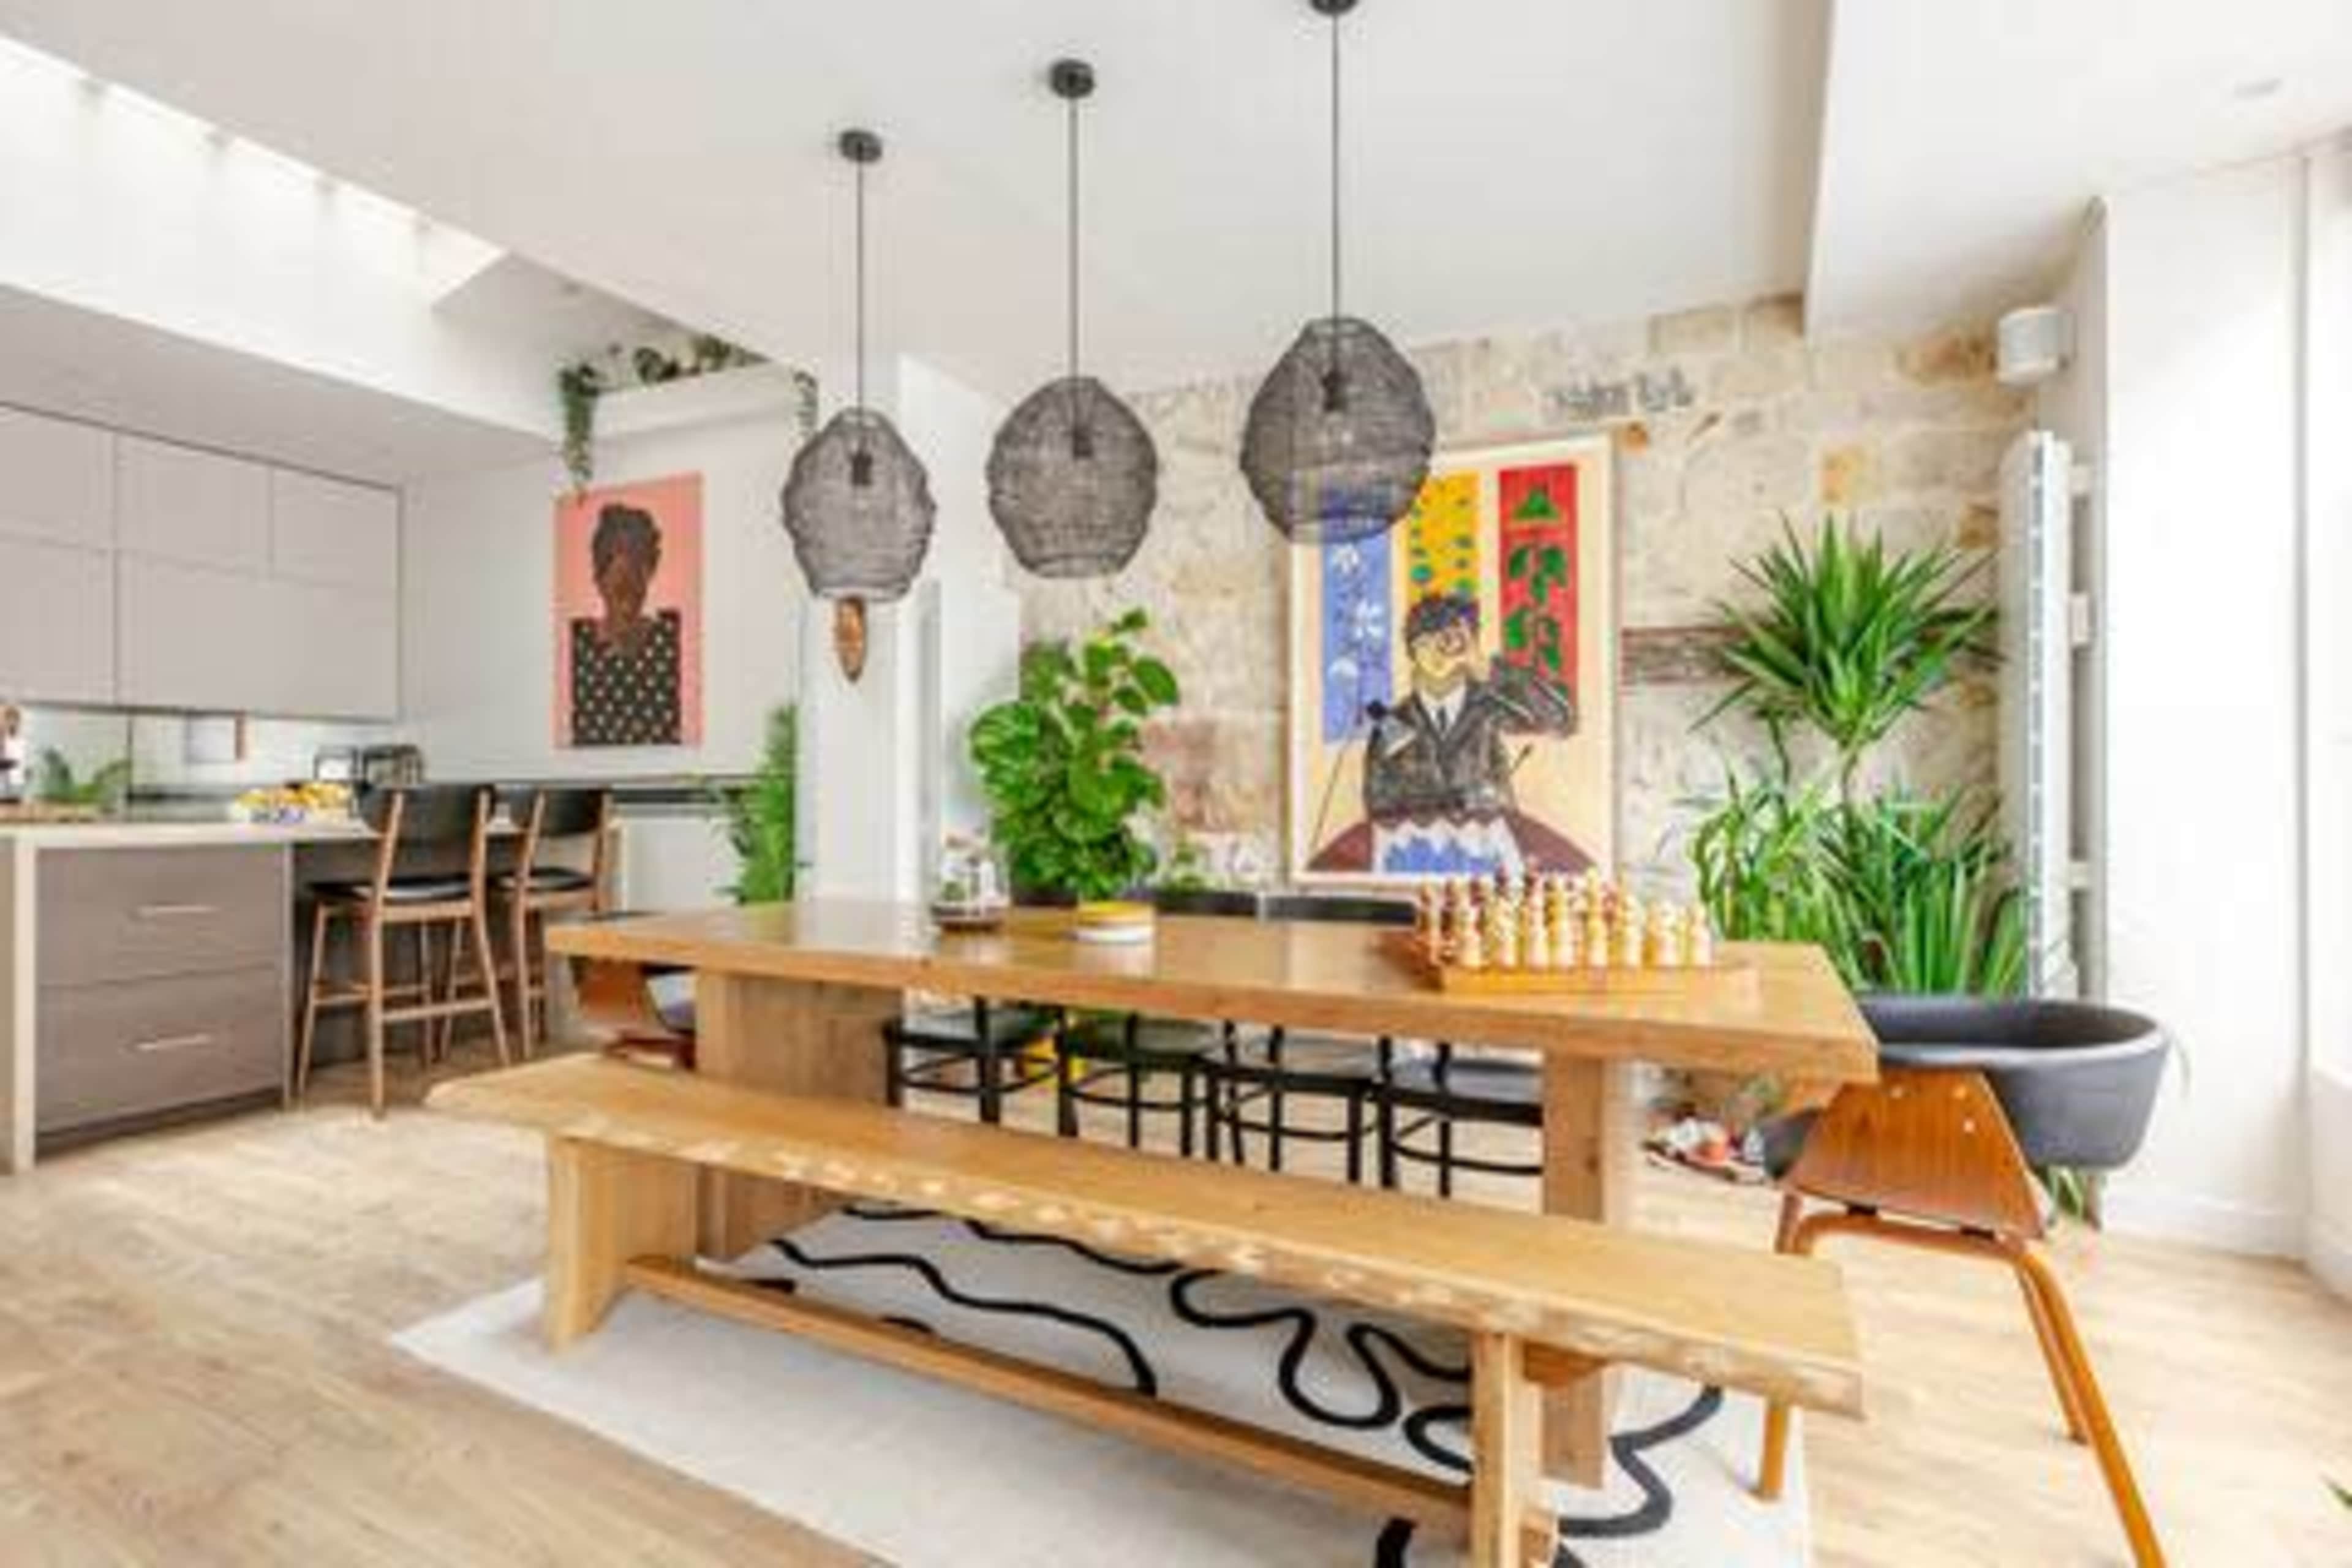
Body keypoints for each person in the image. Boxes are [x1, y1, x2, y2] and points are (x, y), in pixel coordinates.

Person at [1308, 592, 1591, 876]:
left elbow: (1562, 720)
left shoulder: (1489, 705)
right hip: (1413, 859)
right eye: (1424, 644)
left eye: (1447, 641)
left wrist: (1483, 667)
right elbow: (1379, 806)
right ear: (1411, 652)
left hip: (1489, 858)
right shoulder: (1389, 721)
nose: (1435, 653)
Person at [569, 503, 682, 747]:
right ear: (598, 579)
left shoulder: (669, 638)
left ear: (649, 572)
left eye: (640, 564)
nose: (630, 579)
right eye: (619, 584)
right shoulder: (579, 645)